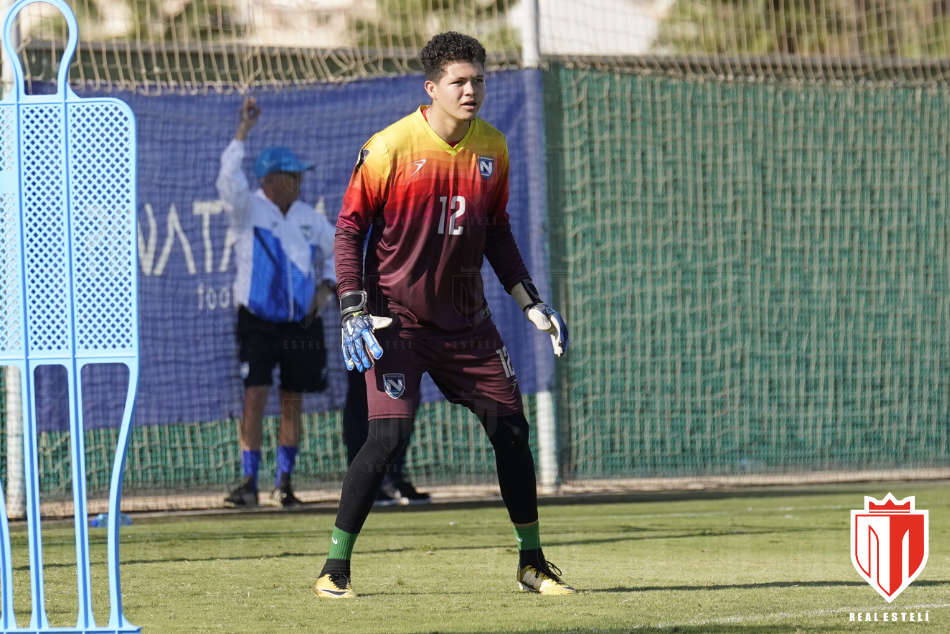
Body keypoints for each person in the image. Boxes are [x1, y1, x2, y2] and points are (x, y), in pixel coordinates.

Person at [314, 32, 573, 598]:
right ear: (431, 88)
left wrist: (530, 301)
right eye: (459, 81)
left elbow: (497, 234)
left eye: (478, 79)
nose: (471, 89)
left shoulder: (493, 148)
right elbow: (350, 229)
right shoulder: (387, 148)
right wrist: (352, 307)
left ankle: (532, 562)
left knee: (512, 431)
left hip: (468, 326)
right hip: (396, 323)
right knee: (386, 437)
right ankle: (334, 567)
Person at [218, 97, 336, 509]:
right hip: (256, 320)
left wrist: (327, 287)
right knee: (255, 396)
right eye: (292, 175)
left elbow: (341, 247)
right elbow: (226, 182)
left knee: (293, 398)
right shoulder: (247, 208)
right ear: (269, 179)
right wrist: (242, 133)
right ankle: (248, 483)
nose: (300, 182)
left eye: (301, 176)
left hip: (301, 323)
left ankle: (284, 484)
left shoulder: (307, 215)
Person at [343, 367, 431, 506]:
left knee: (403, 397)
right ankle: (363, 481)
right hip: (368, 349)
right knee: (363, 399)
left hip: (404, 348)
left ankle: (393, 478)